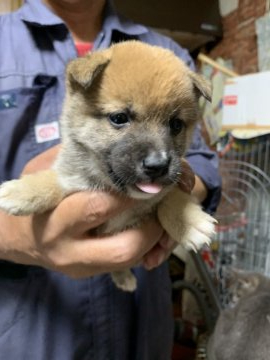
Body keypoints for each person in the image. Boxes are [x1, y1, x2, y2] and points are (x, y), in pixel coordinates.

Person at [0, 0, 221, 359]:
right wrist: (10, 236)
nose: (156, 155)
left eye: (174, 125)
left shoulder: (169, 55)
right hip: (34, 332)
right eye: (120, 118)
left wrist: (173, 202)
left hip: (143, 329)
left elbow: (203, 165)